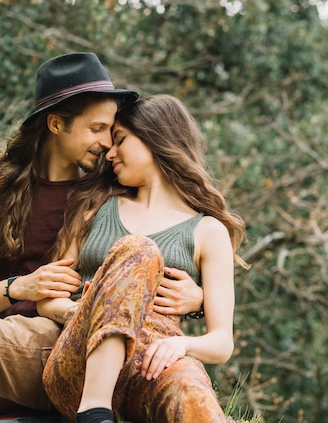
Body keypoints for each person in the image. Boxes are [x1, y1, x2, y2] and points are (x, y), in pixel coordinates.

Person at [0, 54, 204, 423]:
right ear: (56, 124)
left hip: (75, 345)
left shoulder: (112, 183)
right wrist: (20, 287)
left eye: (112, 131)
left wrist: (197, 300)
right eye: (96, 128)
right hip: (10, 354)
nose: (108, 144)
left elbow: (160, 245)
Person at [39, 94, 248, 423]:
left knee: (192, 392)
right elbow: (47, 299)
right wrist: (85, 310)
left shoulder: (209, 231)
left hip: (153, 367)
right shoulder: (93, 209)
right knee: (139, 248)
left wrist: (184, 347)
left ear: (155, 140)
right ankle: (94, 412)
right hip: (79, 366)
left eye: (120, 140)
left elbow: (222, 342)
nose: (109, 152)